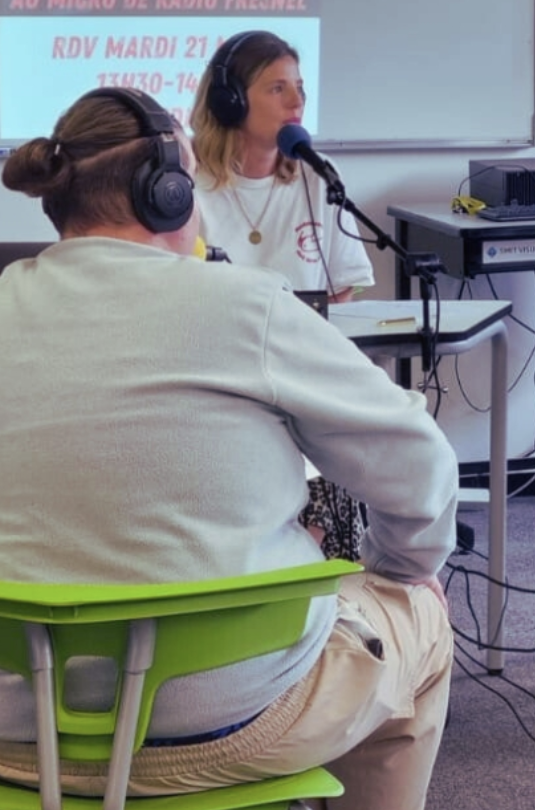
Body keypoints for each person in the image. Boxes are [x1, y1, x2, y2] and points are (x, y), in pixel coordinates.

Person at [0, 87, 456, 810]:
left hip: (11, 732)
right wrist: (400, 570)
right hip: (227, 724)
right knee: (418, 613)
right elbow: (420, 463)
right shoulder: (245, 304)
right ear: (170, 194)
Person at [191, 30, 377, 561]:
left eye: (299, 86)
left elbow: (344, 290)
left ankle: (321, 571)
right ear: (230, 101)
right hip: (222, 375)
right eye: (277, 88)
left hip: (302, 371)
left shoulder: (316, 181)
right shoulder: (188, 188)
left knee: (339, 440)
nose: (297, 101)